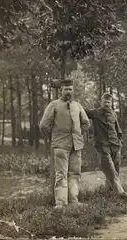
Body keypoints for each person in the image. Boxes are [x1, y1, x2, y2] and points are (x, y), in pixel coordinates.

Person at [39, 79, 90, 209]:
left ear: (73, 91)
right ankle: (60, 204)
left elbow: (86, 123)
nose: (68, 91)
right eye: (65, 89)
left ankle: (74, 201)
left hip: (76, 146)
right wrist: (54, 137)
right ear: (61, 90)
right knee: (61, 174)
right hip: (60, 146)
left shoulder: (78, 106)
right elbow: (44, 125)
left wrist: (78, 135)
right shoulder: (54, 105)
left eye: (70, 89)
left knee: (75, 173)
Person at [85, 93, 127, 200]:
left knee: (116, 170)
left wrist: (120, 142)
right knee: (111, 171)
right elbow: (83, 111)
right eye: (105, 102)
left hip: (115, 146)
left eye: (109, 102)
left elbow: (118, 129)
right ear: (101, 102)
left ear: (111, 103)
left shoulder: (113, 114)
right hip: (103, 147)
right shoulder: (95, 113)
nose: (107, 104)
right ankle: (121, 193)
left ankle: (108, 194)